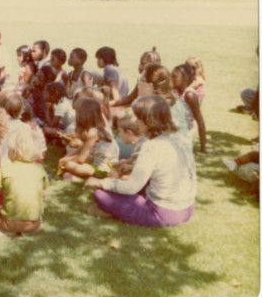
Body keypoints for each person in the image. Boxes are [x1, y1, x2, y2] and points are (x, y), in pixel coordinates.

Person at [83, 95, 196, 228]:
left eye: (138, 119)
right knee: (120, 187)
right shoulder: (177, 138)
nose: (135, 122)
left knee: (100, 195)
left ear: (148, 122)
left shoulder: (151, 147)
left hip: (163, 213)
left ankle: (113, 213)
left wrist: (100, 182)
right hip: (187, 208)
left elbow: (131, 187)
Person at [0, 126, 49, 236]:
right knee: (38, 218)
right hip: (34, 223)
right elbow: (43, 194)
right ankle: (27, 230)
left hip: (9, 222)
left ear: (14, 152)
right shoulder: (40, 169)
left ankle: (5, 230)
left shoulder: (5, 169)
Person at [58, 98, 119, 181]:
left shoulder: (93, 133)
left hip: (102, 166)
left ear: (84, 116)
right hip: (94, 159)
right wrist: (67, 157)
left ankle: (88, 177)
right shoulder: (92, 129)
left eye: (77, 113)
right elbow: (82, 148)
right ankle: (75, 175)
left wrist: (66, 160)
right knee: (69, 158)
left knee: (69, 164)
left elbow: (81, 159)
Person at [138, 63, 191, 148]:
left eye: (141, 80)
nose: (138, 84)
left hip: (171, 154)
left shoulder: (155, 108)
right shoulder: (173, 102)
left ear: (150, 86)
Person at [172, 63, 209, 154]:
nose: (171, 79)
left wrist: (203, 149)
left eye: (174, 77)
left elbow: (200, 120)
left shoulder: (189, 95)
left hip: (184, 131)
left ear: (184, 79)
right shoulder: (173, 91)